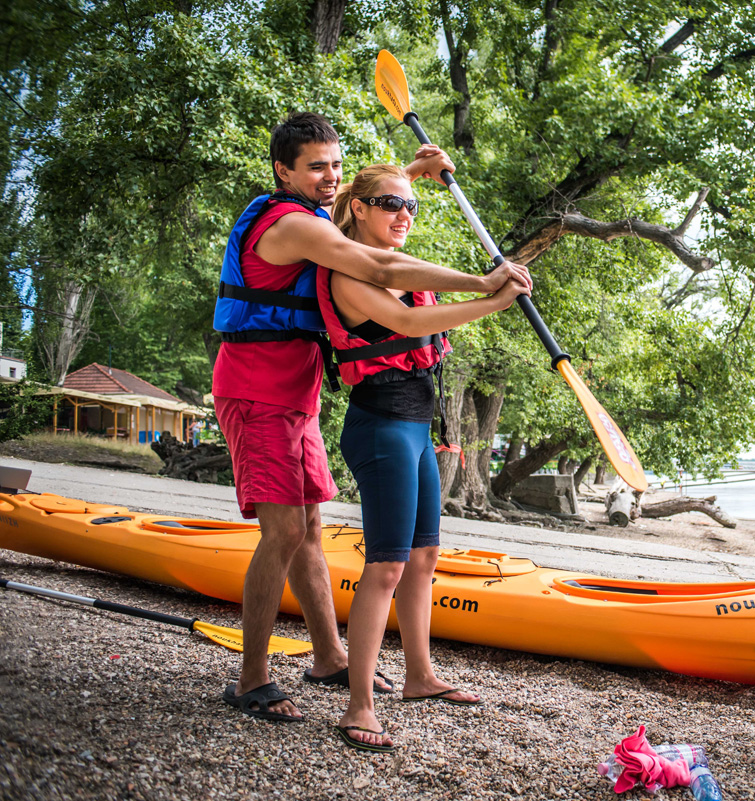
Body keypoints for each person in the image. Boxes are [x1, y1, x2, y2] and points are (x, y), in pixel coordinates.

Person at [213, 112, 532, 723]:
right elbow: (380, 268)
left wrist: (405, 179)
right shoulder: (285, 223)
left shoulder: (313, 215)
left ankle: (330, 656)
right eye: (316, 167)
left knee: (308, 526)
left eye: (336, 164)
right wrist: (483, 283)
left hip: (297, 389)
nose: (330, 177)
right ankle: (251, 679)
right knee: (282, 531)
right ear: (283, 171)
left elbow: (358, 214)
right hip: (256, 390)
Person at [315, 164, 529, 752]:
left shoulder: (401, 264)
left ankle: (419, 676)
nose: (404, 214)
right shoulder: (345, 272)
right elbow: (408, 322)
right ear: (359, 209)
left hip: (414, 428)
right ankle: (359, 704)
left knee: (425, 556)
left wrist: (414, 173)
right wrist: (490, 294)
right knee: (385, 566)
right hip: (380, 427)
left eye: (411, 204)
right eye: (390, 204)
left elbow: (414, 299)